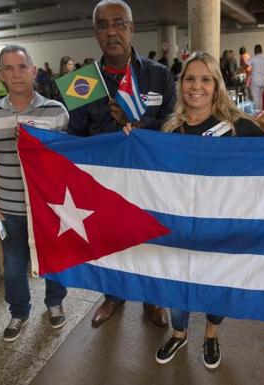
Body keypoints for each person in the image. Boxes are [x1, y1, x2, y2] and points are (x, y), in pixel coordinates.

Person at [123, 52, 264, 369]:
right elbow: (152, 173)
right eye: (189, 78)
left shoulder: (237, 127)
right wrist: (133, 141)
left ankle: (211, 335)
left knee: (216, 285)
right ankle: (179, 333)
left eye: (205, 79)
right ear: (181, 83)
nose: (196, 86)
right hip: (179, 227)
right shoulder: (170, 128)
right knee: (176, 283)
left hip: (220, 229)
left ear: (216, 85)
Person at [67, 0, 176, 329]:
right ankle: (113, 294)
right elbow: (76, 135)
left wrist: (140, 123)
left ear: (132, 28)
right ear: (95, 33)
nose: (111, 31)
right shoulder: (81, 81)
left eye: (119, 23)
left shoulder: (158, 75)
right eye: (103, 25)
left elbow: (174, 127)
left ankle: (153, 298)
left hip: (150, 180)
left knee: (151, 239)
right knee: (108, 241)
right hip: (104, 184)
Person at [0, 45, 70, 342]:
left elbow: (67, 159)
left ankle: (54, 302)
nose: (16, 74)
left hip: (48, 206)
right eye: (8, 68)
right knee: (14, 264)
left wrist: (38, 143)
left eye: (21, 66)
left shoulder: (56, 111)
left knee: (54, 259)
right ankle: (19, 312)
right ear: (0, 74)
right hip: (9, 207)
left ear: (34, 70)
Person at [248, 44, 264, 111]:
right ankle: (260, 111)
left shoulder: (254, 58)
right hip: (263, 81)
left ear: (255, 50)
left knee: (255, 97)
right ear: (261, 50)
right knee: (260, 97)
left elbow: (246, 65)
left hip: (255, 81)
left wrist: (238, 71)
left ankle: (256, 112)